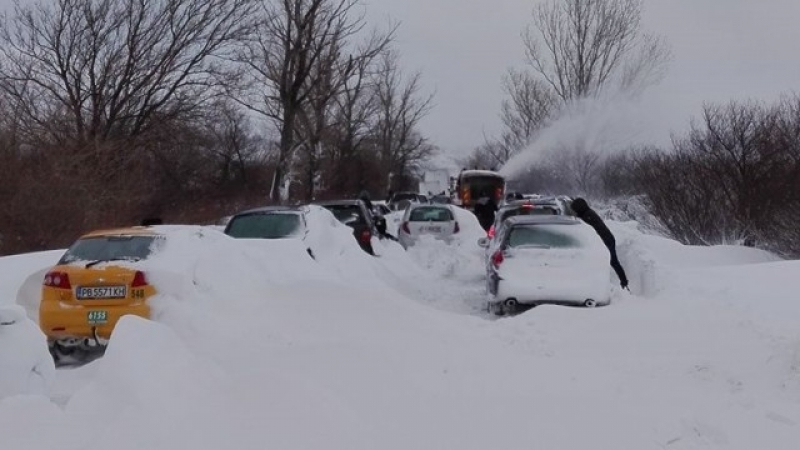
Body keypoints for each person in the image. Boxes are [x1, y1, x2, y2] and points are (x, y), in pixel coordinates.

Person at [570, 197, 629, 290]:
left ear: (579, 208)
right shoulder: (587, 213)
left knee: (612, 262)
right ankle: (623, 283)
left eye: (574, 209)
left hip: (606, 240)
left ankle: (624, 284)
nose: (574, 211)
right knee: (612, 262)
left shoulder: (587, 216)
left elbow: (584, 227)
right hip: (606, 239)